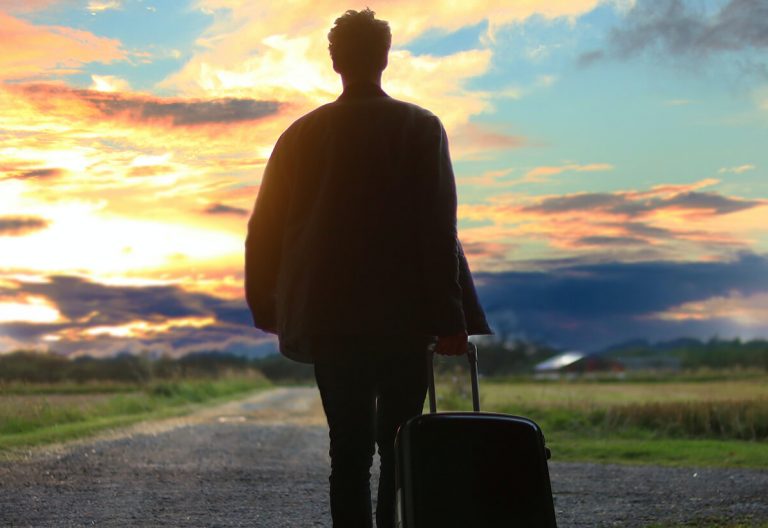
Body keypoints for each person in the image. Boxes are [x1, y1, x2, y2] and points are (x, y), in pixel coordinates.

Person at [245, 8, 491, 528]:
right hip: (405, 317)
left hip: (328, 317)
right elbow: (437, 228)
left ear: (335, 62)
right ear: (385, 57)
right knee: (402, 445)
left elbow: (264, 229)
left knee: (348, 453)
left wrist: (269, 306)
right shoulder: (420, 126)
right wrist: (451, 319)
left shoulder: (300, 135)